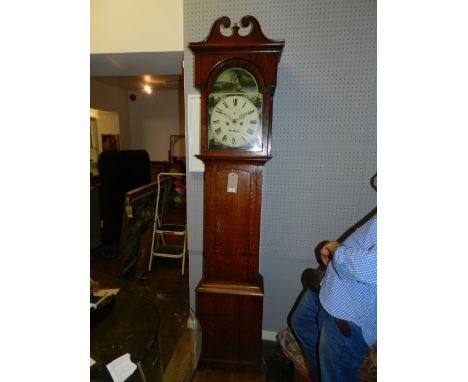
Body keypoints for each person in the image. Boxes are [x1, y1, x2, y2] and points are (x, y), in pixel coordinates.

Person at [290, 175, 377, 382]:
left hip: (348, 314)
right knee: (301, 324)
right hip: (329, 291)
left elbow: (374, 267)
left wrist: (338, 251)